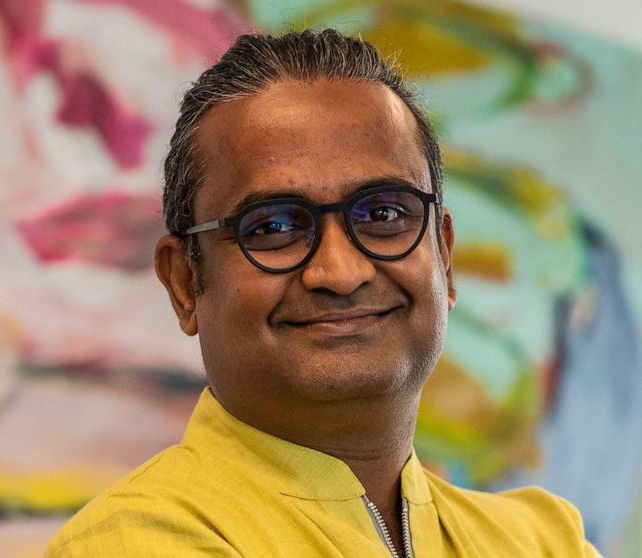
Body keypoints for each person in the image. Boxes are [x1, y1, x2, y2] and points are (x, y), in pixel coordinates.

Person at [46, 29, 601, 558]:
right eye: (274, 227)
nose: (340, 271)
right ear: (186, 283)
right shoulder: (137, 539)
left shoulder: (541, 539)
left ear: (445, 258)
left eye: (384, 214)